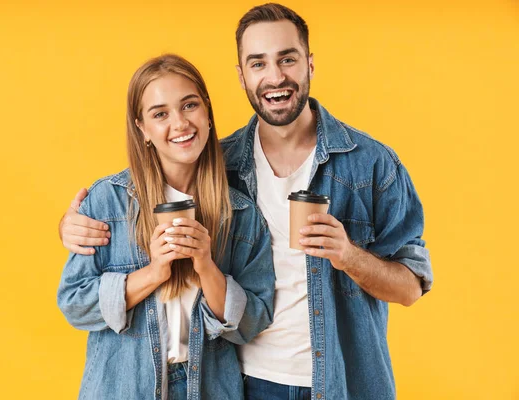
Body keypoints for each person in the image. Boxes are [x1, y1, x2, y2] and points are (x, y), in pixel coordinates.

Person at [59, 4, 434, 400]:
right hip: (245, 382)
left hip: (344, 382)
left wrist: (348, 256)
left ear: (309, 63)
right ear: (241, 76)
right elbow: (150, 187)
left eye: (287, 59)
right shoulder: (219, 166)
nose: (275, 77)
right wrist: (71, 223)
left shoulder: (371, 164)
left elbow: (410, 288)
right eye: (258, 63)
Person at [57, 54, 275, 400]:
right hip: (122, 387)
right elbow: (74, 303)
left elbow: (253, 321)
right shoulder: (108, 202)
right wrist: (155, 273)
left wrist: (206, 265)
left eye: (189, 105)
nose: (180, 124)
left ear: (207, 113)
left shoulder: (241, 212)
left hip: (210, 388)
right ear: (142, 128)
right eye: (160, 114)